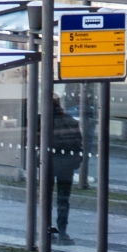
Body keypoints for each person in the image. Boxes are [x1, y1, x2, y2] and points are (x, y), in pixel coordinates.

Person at [47, 97, 85, 242]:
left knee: (46, 199)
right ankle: (62, 232)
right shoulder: (70, 120)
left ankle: (49, 231)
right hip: (67, 165)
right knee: (63, 200)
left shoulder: (42, 121)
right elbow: (78, 144)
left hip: (49, 164)